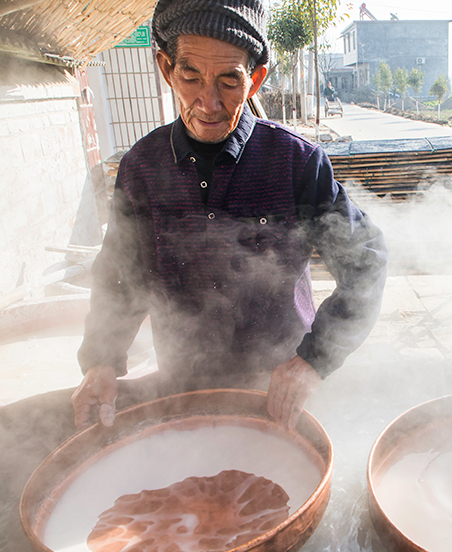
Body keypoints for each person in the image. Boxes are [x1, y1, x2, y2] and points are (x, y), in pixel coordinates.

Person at [72, 0, 388, 430]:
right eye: (190, 77)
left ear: (255, 79)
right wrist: (102, 361)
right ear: (166, 68)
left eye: (228, 81)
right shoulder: (142, 167)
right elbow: (120, 274)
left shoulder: (296, 162)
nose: (208, 102)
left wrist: (313, 361)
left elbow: (366, 260)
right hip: (185, 392)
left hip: (281, 393)